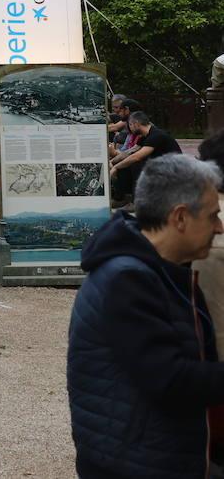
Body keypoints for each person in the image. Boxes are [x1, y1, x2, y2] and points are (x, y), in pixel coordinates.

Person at [68, 154, 224, 479]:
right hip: (135, 463)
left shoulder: (162, 269)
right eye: (213, 216)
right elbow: (171, 380)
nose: (219, 227)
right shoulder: (128, 279)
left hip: (152, 453)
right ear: (180, 218)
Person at [109, 110, 182, 205]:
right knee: (125, 163)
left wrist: (116, 167)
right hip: (160, 165)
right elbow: (129, 152)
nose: (129, 129)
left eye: (130, 125)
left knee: (135, 164)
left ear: (136, 124)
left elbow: (137, 157)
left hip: (173, 169)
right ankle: (122, 198)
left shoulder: (156, 135)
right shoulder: (145, 136)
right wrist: (112, 162)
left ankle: (137, 203)